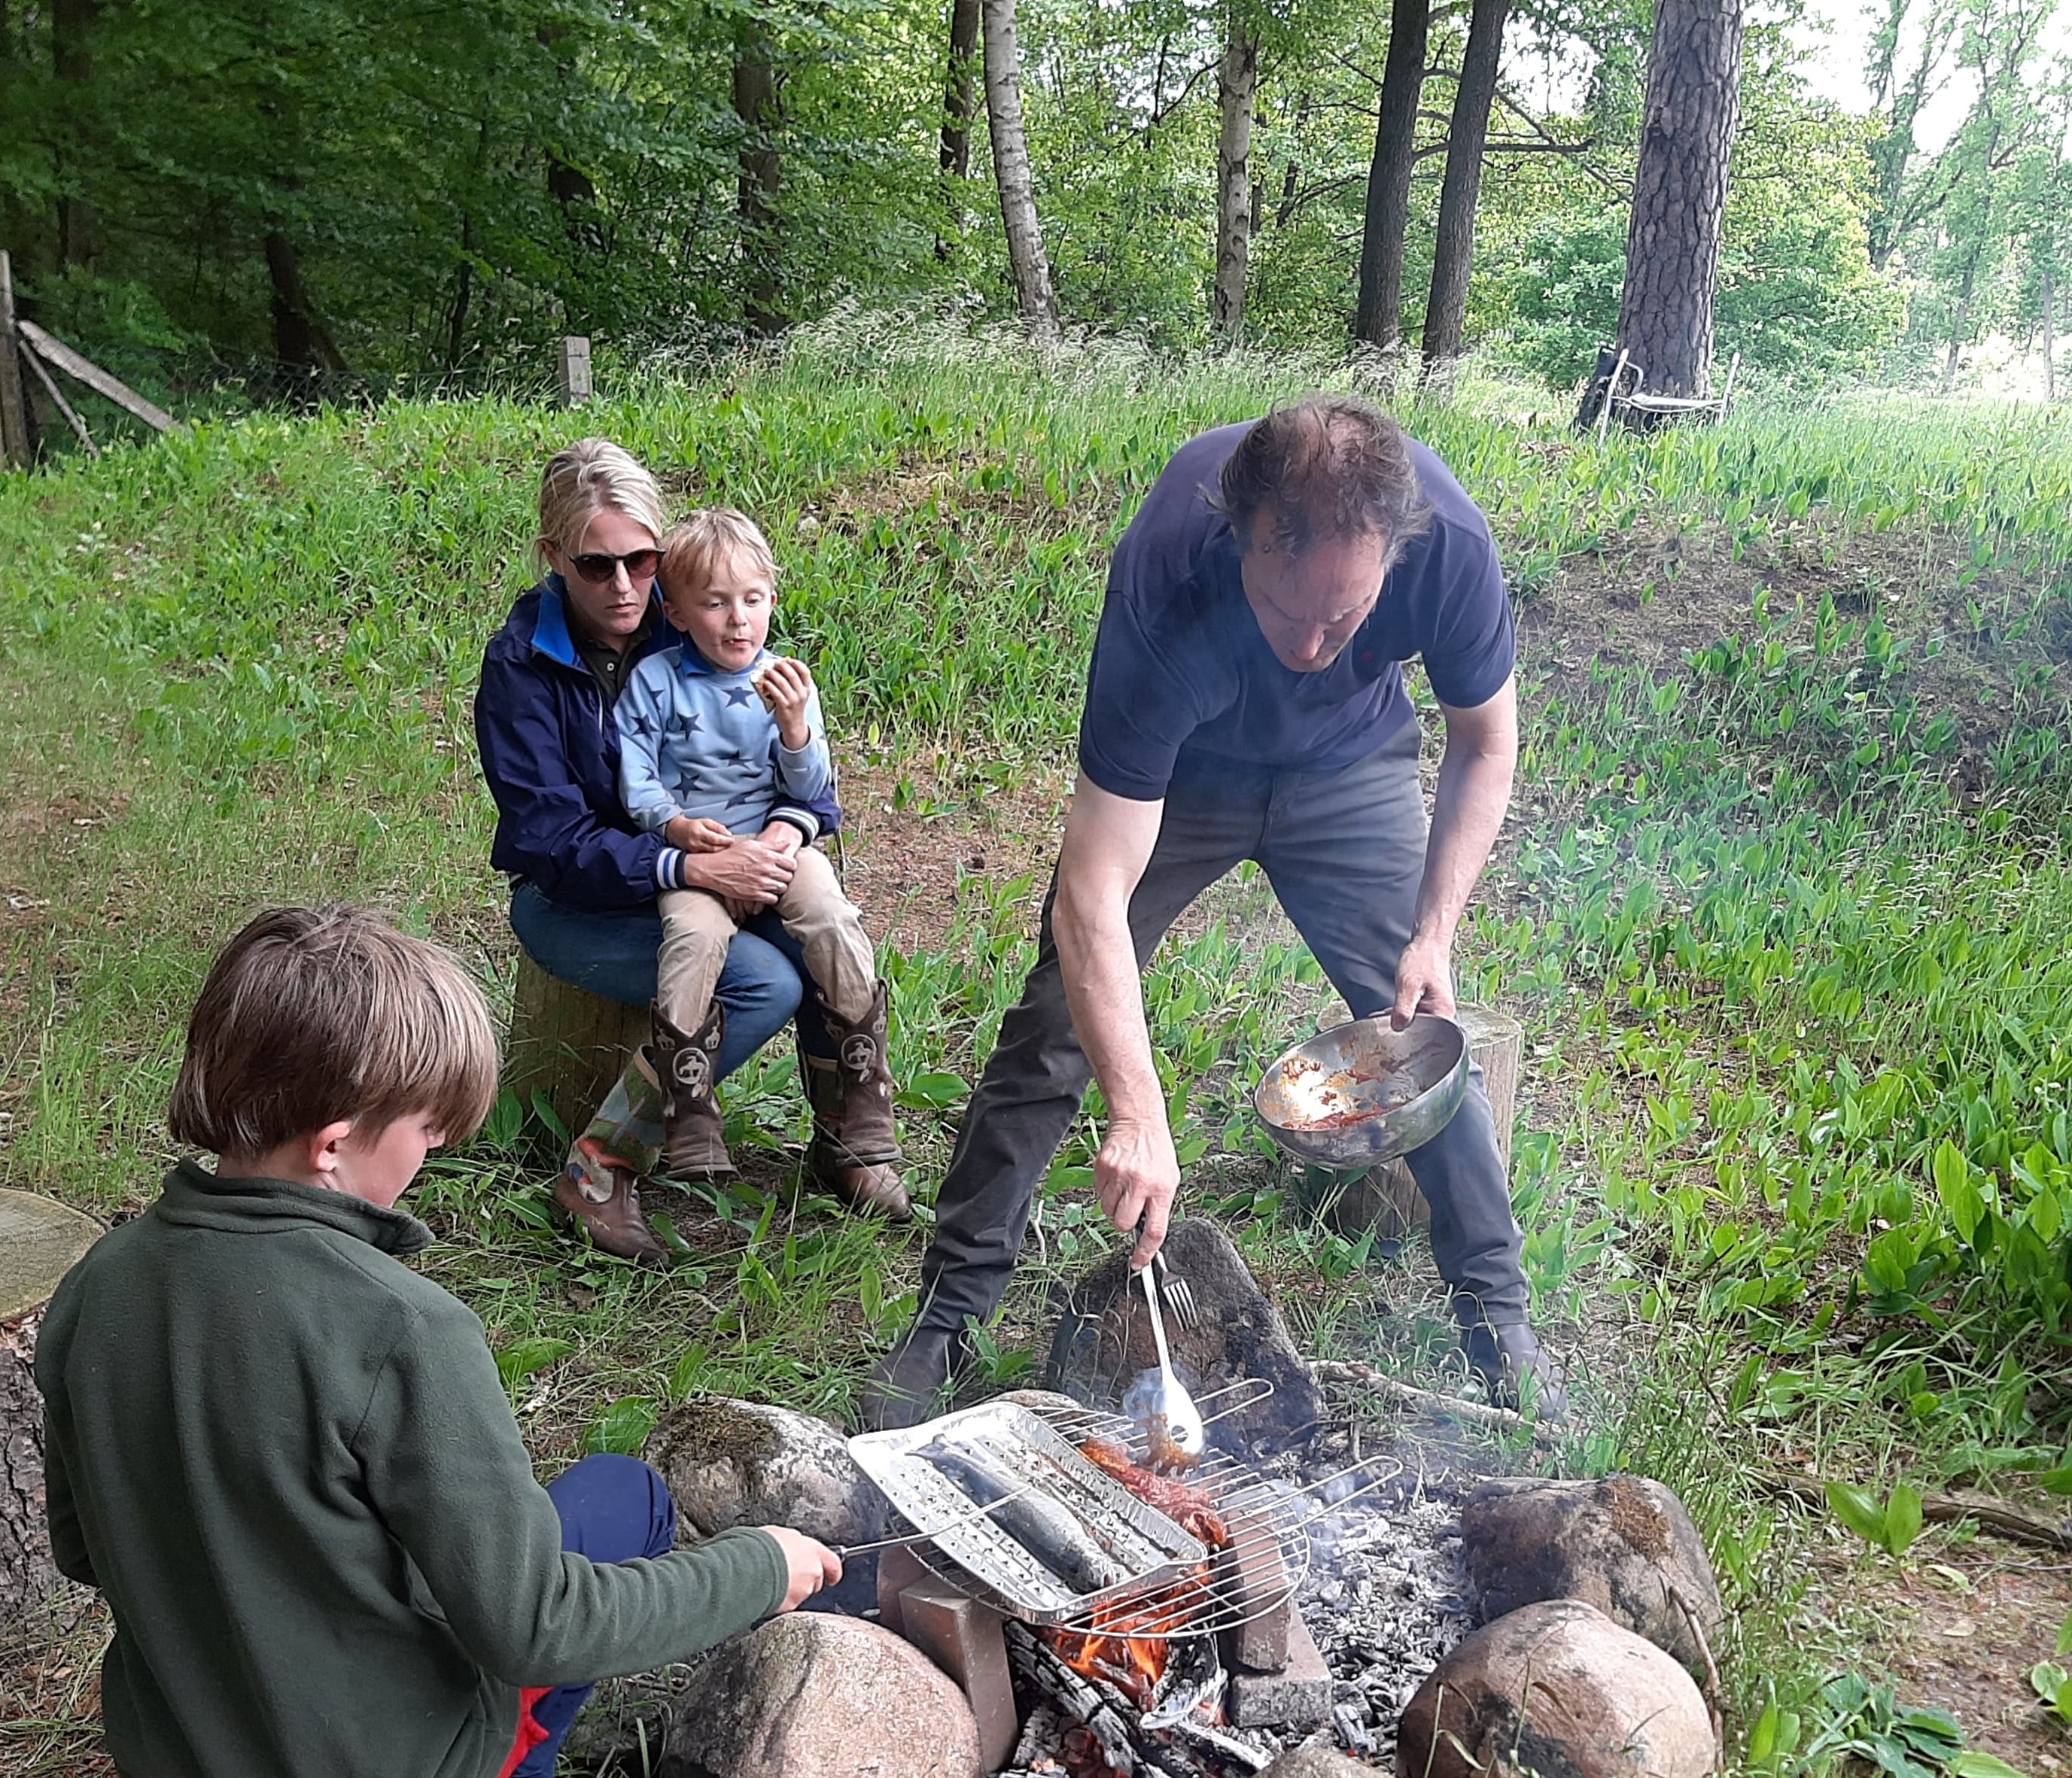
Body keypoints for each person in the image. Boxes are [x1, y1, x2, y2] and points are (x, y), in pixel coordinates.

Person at [40, 905, 841, 1778]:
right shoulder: (401, 1332)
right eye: (424, 1130)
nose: (433, 1154)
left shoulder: (96, 1286)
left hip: (183, 1766)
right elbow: (539, 1625)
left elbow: (81, 1550)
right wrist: (761, 1565)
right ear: (332, 1141)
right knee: (620, 1504)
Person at [862, 397, 1562, 1428]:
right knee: (1057, 1027)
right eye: (1290, 616)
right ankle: (946, 1317)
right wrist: (1138, 1113)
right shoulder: (1168, 577)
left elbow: (1486, 744)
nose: (1318, 645)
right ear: (1241, 539)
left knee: (1420, 1037)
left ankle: (1501, 1329)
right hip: (1184, 777)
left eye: (1349, 617)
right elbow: (1092, 891)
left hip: (1348, 769)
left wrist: (1433, 933)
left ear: (1393, 557)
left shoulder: (1445, 544)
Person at [473, 439, 875, 1263]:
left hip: (718, 872)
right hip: (578, 899)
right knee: (762, 980)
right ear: (553, 556)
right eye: (595, 566)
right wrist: (689, 866)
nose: (624, 586)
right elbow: (548, 841)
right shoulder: (522, 666)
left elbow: (798, 778)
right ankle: (599, 1166)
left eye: (642, 560)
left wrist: (777, 837)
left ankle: (846, 1139)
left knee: (829, 934)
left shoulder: (700, 612)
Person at [614, 509, 905, 1215]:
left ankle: (864, 1098)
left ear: (773, 600)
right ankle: (690, 1110)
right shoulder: (655, 682)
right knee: (694, 938)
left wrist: (797, 731)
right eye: (714, 603)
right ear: (677, 614)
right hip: (701, 853)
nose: (737, 621)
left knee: (833, 919)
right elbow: (636, 776)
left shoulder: (787, 682)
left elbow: (811, 792)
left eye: (752, 600)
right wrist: (676, 825)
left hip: (779, 848)